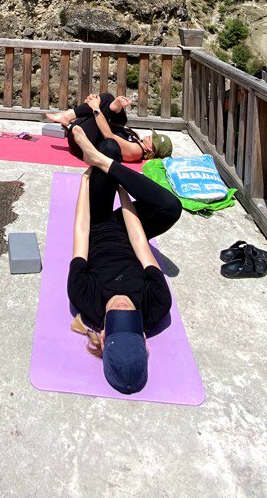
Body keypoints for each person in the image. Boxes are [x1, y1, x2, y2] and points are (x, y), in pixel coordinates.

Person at [67, 124, 182, 394]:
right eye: (128, 317)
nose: (121, 305)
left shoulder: (83, 297)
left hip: (95, 223)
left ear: (103, 337)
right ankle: (102, 161)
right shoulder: (156, 304)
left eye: (114, 318)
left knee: (108, 148)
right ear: (143, 337)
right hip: (128, 228)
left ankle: (99, 159)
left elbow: (81, 233)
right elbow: (140, 243)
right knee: (171, 207)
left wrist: (84, 183)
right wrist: (121, 188)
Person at [48, 92, 173, 163]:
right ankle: (115, 107)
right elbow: (115, 127)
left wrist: (96, 109)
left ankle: (68, 115)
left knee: (105, 102)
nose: (151, 137)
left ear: (152, 150)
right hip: (84, 134)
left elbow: (109, 137)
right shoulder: (136, 139)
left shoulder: (136, 151)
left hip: (82, 145)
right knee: (109, 100)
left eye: (154, 140)